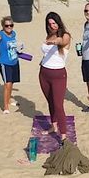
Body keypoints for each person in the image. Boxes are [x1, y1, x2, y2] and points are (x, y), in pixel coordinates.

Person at [39, 12, 71, 142]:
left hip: (58, 75)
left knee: (58, 105)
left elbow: (61, 41)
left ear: (59, 22)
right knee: (50, 101)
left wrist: (54, 41)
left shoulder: (65, 35)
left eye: (54, 23)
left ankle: (63, 135)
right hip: (44, 73)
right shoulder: (49, 35)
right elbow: (48, 53)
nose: (52, 26)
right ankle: (54, 126)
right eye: (50, 23)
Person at [0, 16, 20, 114]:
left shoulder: (13, 34)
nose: (9, 27)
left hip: (14, 61)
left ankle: (9, 100)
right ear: (3, 26)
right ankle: (5, 107)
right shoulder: (0, 34)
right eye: (7, 25)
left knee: (11, 83)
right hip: (4, 63)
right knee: (7, 83)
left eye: (11, 25)